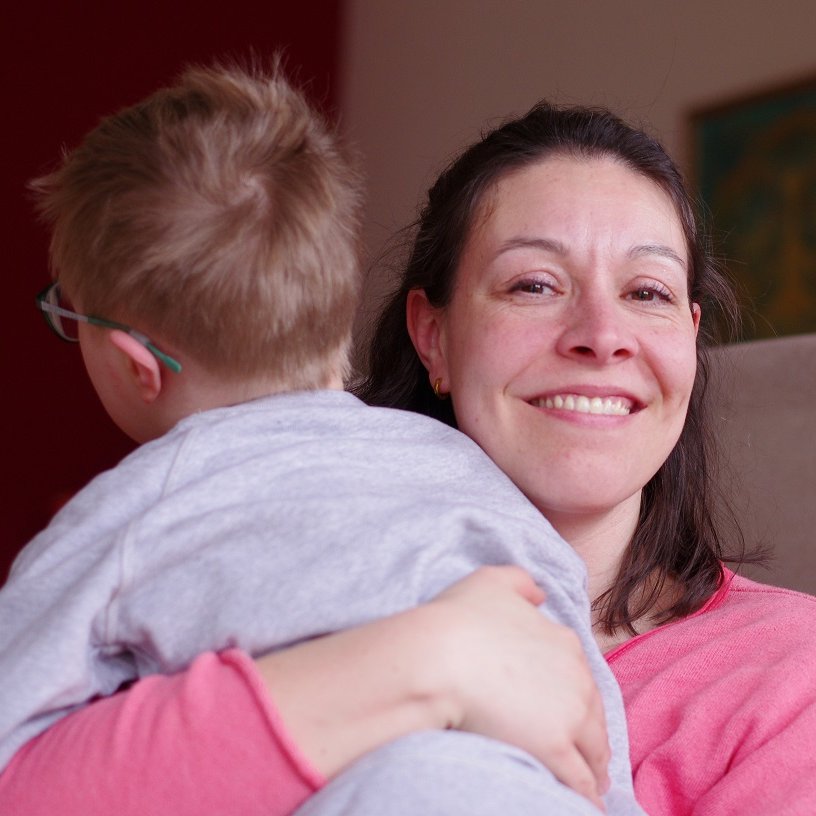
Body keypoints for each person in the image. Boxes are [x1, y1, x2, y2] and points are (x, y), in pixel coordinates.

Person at [0, 64, 643, 815]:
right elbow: (589, 736)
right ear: (335, 317)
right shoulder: (473, 478)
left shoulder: (132, 510)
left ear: (136, 363)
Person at [351, 100, 816, 813]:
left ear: (689, 340)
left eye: (646, 292)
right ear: (433, 335)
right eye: (534, 284)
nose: (603, 335)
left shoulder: (795, 673)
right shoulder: (291, 609)